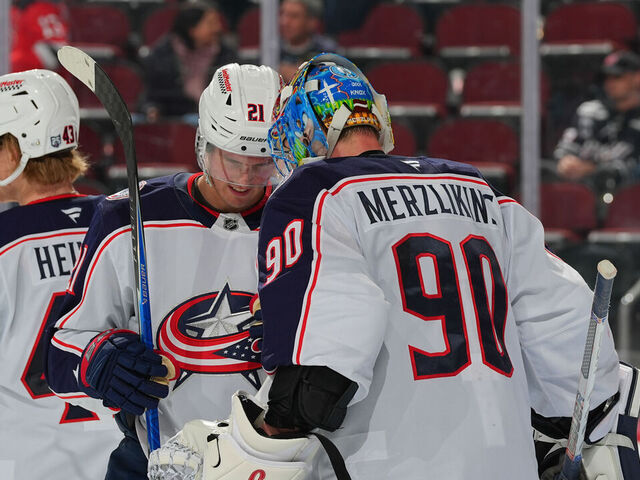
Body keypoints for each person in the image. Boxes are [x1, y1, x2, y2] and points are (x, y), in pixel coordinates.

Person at [146, 54, 640, 480]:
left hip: (391, 460)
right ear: (377, 120)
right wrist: (583, 437)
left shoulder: (314, 193)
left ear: (297, 134)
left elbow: (324, 366)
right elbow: (574, 337)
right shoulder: (484, 193)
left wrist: (248, 444)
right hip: (506, 461)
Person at [45, 63, 281, 479]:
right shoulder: (128, 216)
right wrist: (99, 360)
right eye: (232, 161)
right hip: (154, 458)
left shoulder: (302, 219)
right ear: (203, 144)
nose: (245, 180)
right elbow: (59, 353)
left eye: (261, 165)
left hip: (270, 458)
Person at [0, 69, 121, 480]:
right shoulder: (130, 225)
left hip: (27, 460)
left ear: (18, 151)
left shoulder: (4, 243)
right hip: (123, 456)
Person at [555, 50, 640, 191]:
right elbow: (567, 147)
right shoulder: (588, 111)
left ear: (637, 77)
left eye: (618, 77)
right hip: (580, 191)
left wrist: (593, 169)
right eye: (607, 77)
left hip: (627, 200)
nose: (610, 83)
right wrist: (565, 161)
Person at [142, 1, 237, 120]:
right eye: (211, 23)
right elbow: (153, 95)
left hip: (214, 118)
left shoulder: (226, 54)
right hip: (173, 117)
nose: (218, 28)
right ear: (192, 29)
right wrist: (152, 109)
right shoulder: (163, 54)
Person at [279, 0, 338, 83]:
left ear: (312, 22)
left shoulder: (326, 52)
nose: (285, 22)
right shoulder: (271, 49)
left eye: (294, 16)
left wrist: (299, 76)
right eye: (283, 14)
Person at [10, 0, 70, 72]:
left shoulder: (40, 10)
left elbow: (54, 54)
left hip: (38, 77)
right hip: (17, 74)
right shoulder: (9, 11)